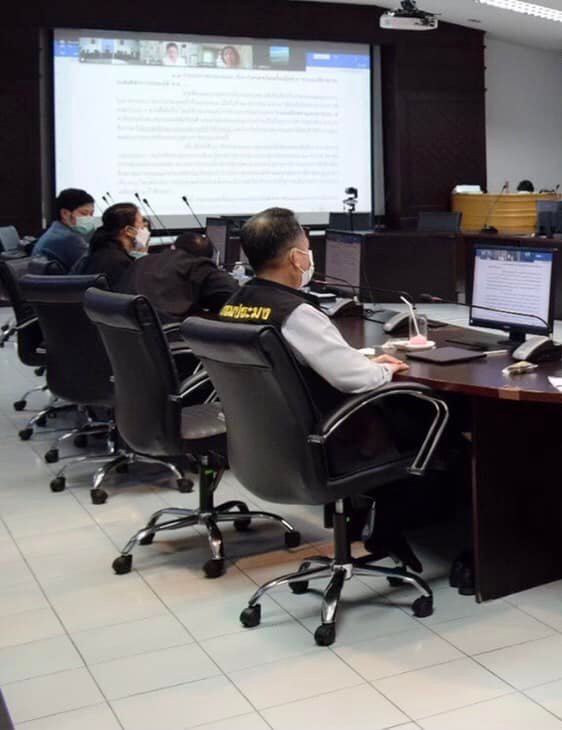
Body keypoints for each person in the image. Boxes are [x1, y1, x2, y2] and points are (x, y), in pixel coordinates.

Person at [217, 207, 434, 568]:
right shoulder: (295, 313)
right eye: (307, 248)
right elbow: (355, 379)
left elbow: (298, 365)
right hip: (323, 444)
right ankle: (394, 530)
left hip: (265, 444)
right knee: (429, 416)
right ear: (295, 258)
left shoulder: (235, 304)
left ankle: (373, 525)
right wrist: (384, 368)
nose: (309, 256)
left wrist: (358, 361)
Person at [121, 231, 239, 320]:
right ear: (205, 258)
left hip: (127, 334)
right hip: (169, 337)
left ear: (173, 247)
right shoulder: (197, 265)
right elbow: (234, 293)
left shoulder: (141, 262)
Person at [70, 202, 147, 287]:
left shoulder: (100, 251)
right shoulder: (119, 262)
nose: (145, 227)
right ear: (129, 230)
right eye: (142, 222)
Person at [33, 188, 98, 272]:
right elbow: (94, 265)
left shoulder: (57, 230)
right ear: (64, 213)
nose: (89, 218)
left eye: (91, 214)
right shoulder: (68, 238)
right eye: (84, 213)